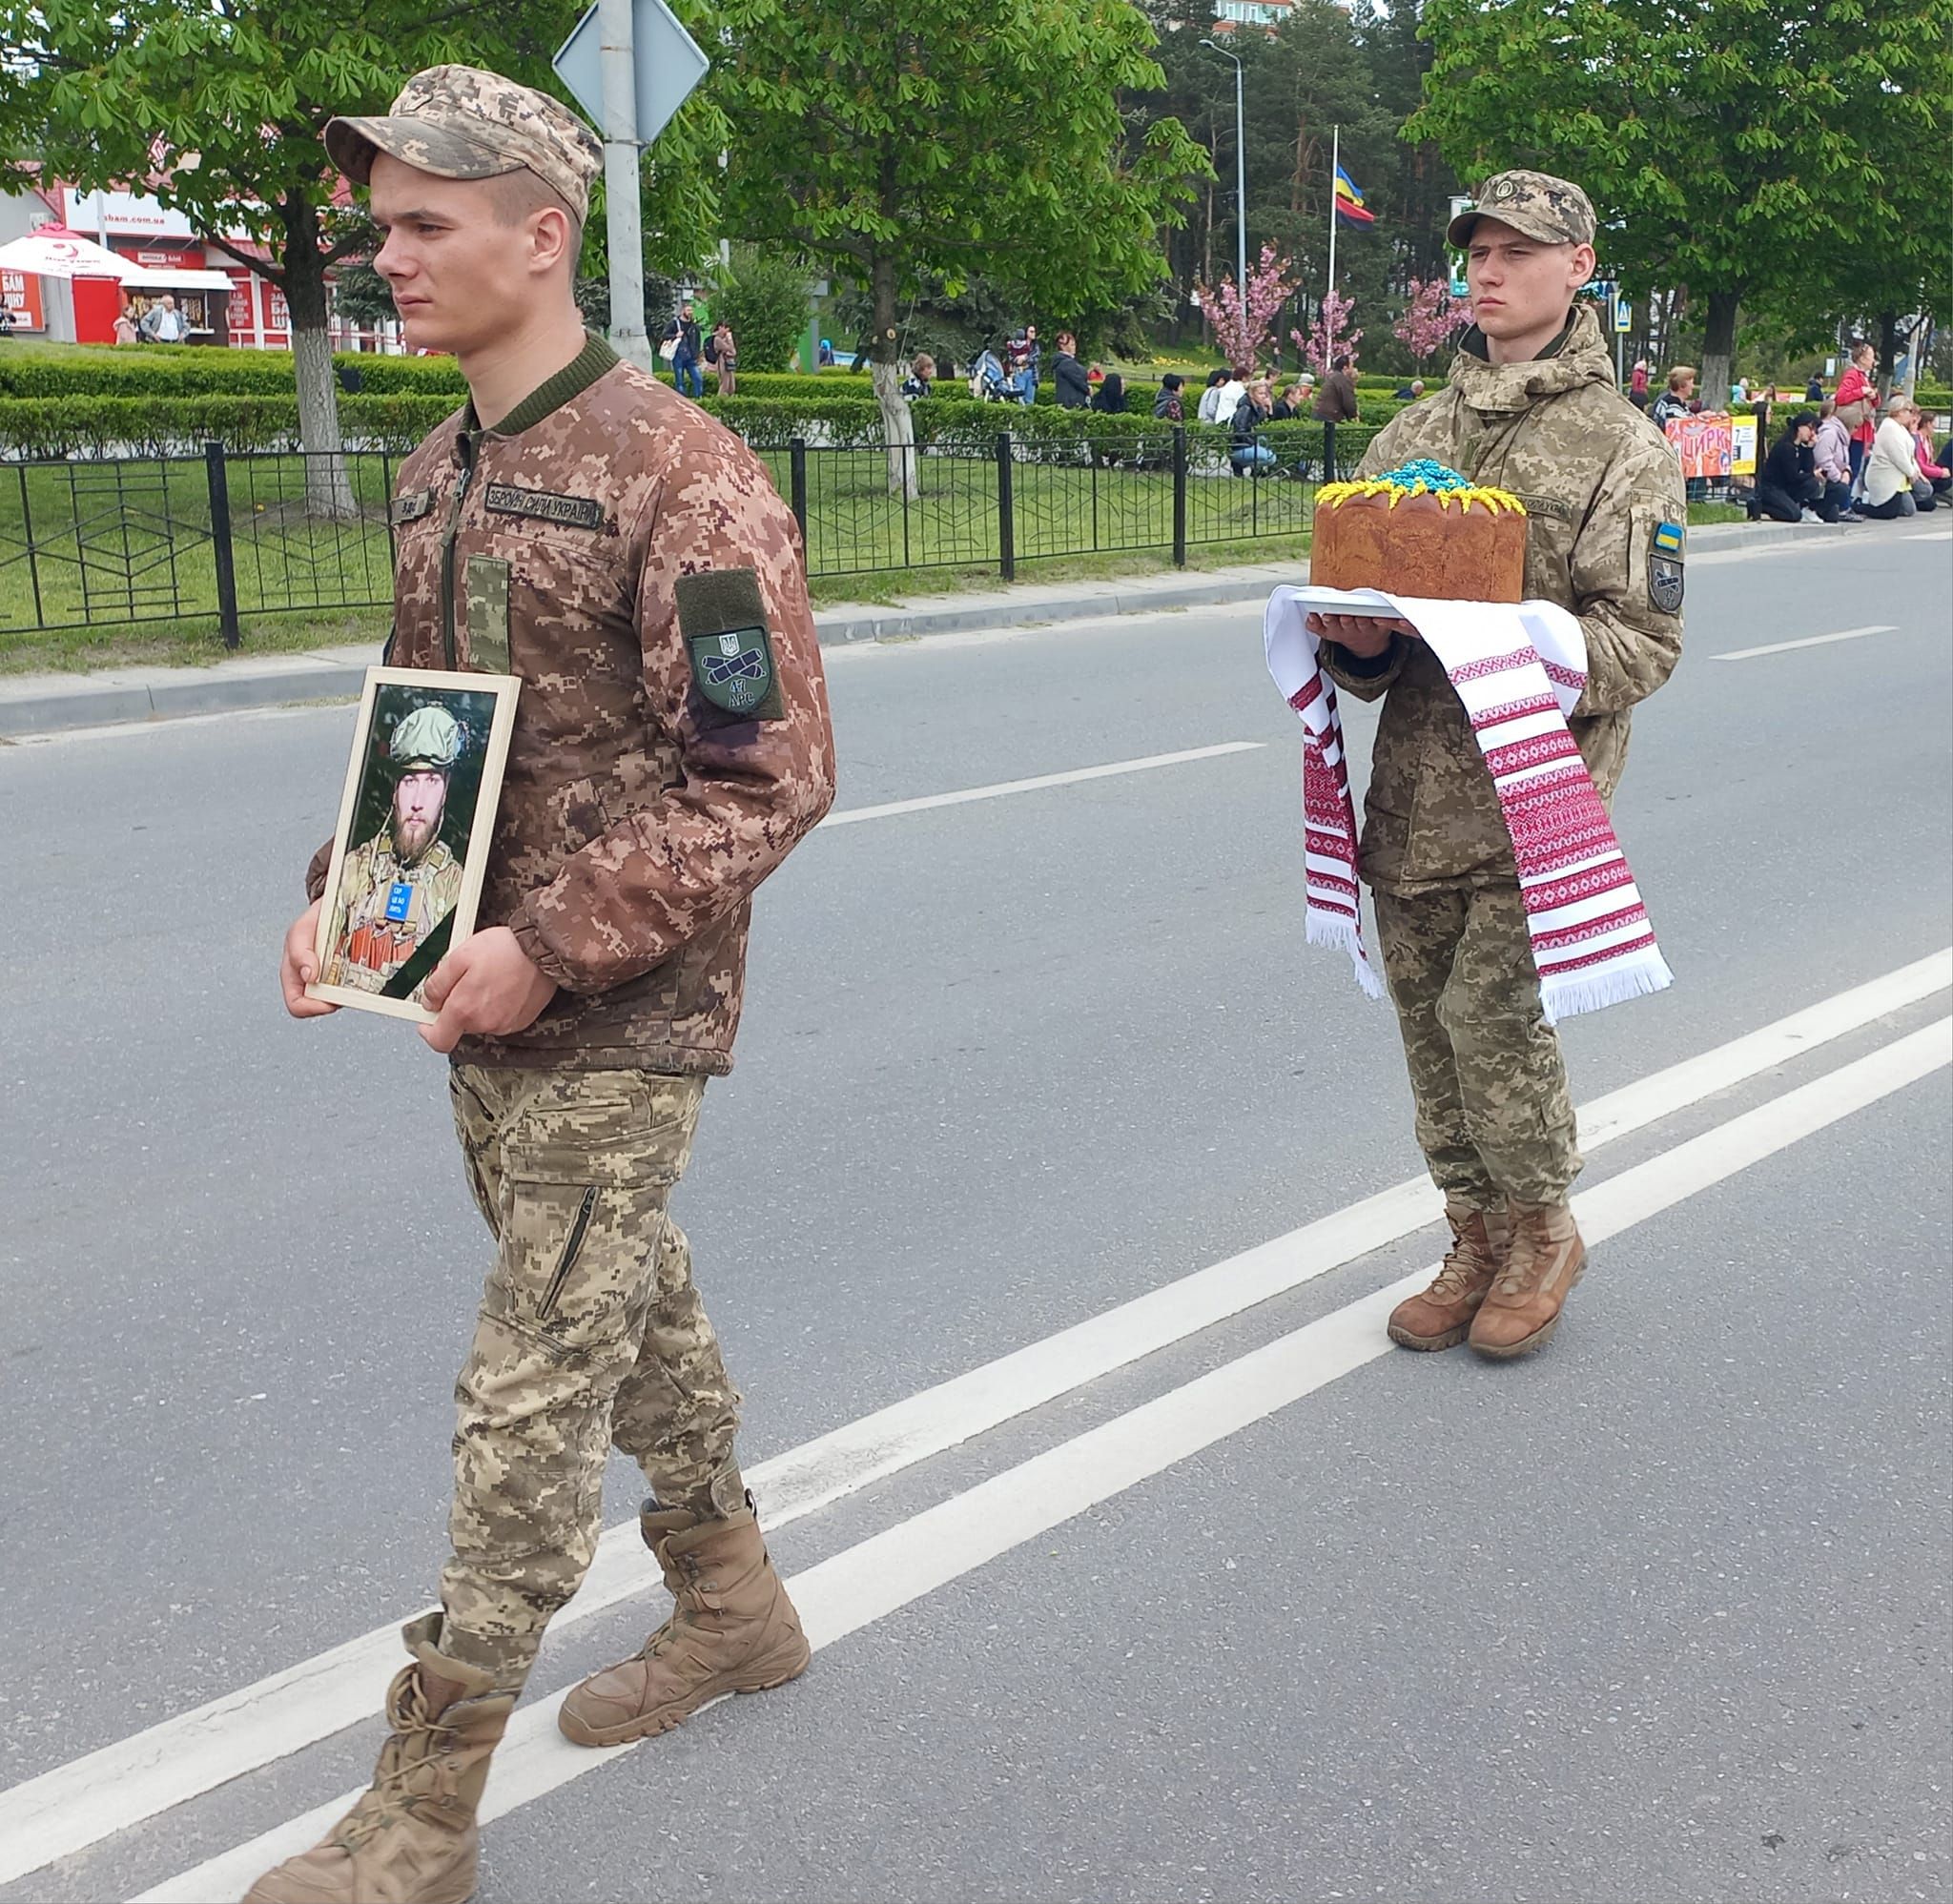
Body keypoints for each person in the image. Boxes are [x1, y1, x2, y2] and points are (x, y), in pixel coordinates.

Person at [266, 65, 836, 1904]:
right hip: (467, 996)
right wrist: (347, 901)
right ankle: (733, 1600)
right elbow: (425, 734)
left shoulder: (682, 473)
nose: (386, 253)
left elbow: (764, 774)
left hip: (621, 1011)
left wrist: (551, 944)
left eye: (424, 221)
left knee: (528, 1388)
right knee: (621, 1300)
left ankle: (422, 1807)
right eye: (379, 222)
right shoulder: (440, 468)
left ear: (539, 235)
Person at [1305, 170, 1685, 1361]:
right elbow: (1364, 654)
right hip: (1411, 796)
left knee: (1490, 1019)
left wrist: (1514, 639)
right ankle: (1470, 1236)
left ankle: (1541, 1233)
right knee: (1425, 1023)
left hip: (1536, 797)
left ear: (1577, 266)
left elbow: (1642, 643)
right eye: (1475, 248)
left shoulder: (1622, 446)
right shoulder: (1410, 435)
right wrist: (1356, 642)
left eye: (1517, 249)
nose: (1487, 269)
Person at [320, 705, 470, 994]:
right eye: (410, 781)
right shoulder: (357, 868)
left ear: (445, 793)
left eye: (432, 781)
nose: (417, 801)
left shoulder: (457, 886)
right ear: (395, 791)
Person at [1755, 411, 1842, 524]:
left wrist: (1809, 448)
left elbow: (1807, 470)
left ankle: (1803, 506)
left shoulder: (1800, 447)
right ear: (1800, 427)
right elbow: (1793, 476)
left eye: (1814, 430)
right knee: (1793, 515)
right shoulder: (1786, 447)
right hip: (1773, 487)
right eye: (1810, 428)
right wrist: (1813, 474)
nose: (1812, 433)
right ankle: (1762, 506)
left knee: (1814, 485)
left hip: (1787, 487)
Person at [1861, 393, 1929, 518]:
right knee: (1887, 513)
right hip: (1886, 476)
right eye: (1909, 411)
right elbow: (1898, 456)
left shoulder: (1900, 428)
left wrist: (1916, 471)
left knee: (1913, 504)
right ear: (1900, 411)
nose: (1911, 415)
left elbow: (1909, 453)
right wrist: (1911, 473)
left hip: (1899, 479)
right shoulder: (1889, 428)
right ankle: (1859, 506)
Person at [1833, 341, 1879, 488]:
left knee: (1855, 467)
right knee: (1852, 467)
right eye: (1871, 356)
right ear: (1862, 358)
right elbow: (1841, 397)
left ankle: (1845, 498)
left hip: (1859, 429)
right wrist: (1861, 392)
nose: (1874, 360)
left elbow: (1874, 403)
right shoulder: (1853, 375)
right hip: (1854, 430)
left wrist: (1874, 397)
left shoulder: (1862, 376)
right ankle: (1844, 499)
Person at [1812, 399, 1863, 522]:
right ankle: (1815, 509)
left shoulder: (1841, 436)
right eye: (1856, 427)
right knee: (1841, 490)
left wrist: (1846, 471)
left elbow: (1843, 461)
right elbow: (1823, 459)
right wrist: (1839, 477)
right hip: (1822, 479)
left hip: (1830, 478)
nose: (1856, 431)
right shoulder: (1830, 434)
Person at [1228, 375, 1276, 474]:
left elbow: (1266, 426)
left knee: (1270, 451)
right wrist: (1253, 442)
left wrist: (1269, 410)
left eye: (1265, 394)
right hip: (1240, 447)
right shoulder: (1245, 408)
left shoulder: (1258, 408)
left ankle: (1255, 471)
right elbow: (1239, 431)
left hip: (1250, 444)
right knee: (1270, 457)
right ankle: (1241, 464)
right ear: (1251, 394)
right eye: (1260, 393)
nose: (1264, 396)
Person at [663, 299, 704, 399]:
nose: (690, 312)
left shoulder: (694, 325)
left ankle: (698, 399)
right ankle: (682, 401)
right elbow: (665, 335)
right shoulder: (674, 323)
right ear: (682, 311)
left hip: (691, 357)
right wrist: (675, 335)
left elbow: (697, 340)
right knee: (680, 381)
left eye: (691, 310)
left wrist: (697, 354)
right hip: (678, 356)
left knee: (698, 378)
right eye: (688, 310)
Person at [1912, 411, 1951, 502]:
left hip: (1927, 474)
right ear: (1928, 424)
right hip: (1920, 475)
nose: (1935, 426)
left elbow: (1930, 463)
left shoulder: (1927, 439)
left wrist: (1940, 471)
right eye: (1934, 422)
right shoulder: (1917, 439)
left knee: (1947, 481)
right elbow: (1920, 465)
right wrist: (1940, 472)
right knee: (1929, 504)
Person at [1312, 351, 1360, 424]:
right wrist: (1354, 415)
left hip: (1319, 414)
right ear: (1345, 368)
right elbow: (1348, 402)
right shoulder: (1343, 380)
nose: (1353, 369)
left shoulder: (1333, 377)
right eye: (1352, 366)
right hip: (1329, 417)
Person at [1051, 332, 1092, 408]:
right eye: (1072, 345)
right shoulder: (1066, 363)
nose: (1074, 347)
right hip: (1071, 403)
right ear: (1062, 346)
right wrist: (1088, 388)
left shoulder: (1062, 361)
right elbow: (1078, 380)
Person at [1649, 364, 1695, 431]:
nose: (1693, 386)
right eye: (1691, 383)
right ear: (1681, 386)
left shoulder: (1674, 402)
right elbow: (1682, 429)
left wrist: (1699, 417)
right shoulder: (1672, 407)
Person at [706, 317, 737, 397]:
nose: (727, 332)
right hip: (721, 363)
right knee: (724, 385)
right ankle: (719, 400)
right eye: (725, 329)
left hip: (728, 363)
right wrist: (729, 339)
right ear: (720, 327)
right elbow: (730, 348)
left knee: (731, 386)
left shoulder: (722, 339)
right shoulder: (717, 339)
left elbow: (733, 352)